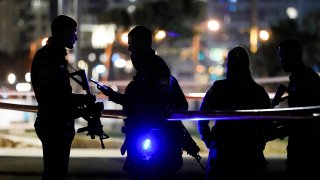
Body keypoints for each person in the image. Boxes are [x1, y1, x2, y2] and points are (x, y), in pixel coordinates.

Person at [96, 25, 188, 179]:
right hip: (157, 135)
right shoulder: (156, 72)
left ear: (143, 45)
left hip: (156, 135)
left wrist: (113, 95)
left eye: (132, 45)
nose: (130, 50)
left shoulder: (155, 72)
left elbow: (141, 102)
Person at [198, 46, 275, 180]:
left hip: (222, 152)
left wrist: (208, 139)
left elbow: (202, 115)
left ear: (228, 66)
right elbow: (268, 125)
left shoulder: (218, 88)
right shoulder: (258, 91)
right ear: (247, 65)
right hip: (251, 153)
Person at [31, 15, 90, 180]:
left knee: (56, 173)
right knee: (55, 174)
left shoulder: (55, 57)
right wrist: (82, 101)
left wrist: (81, 102)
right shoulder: (49, 58)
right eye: (73, 32)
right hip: (53, 124)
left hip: (57, 122)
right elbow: (53, 99)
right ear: (64, 33)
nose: (76, 37)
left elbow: (59, 96)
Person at [275, 38, 320, 180]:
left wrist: (275, 131)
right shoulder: (300, 78)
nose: (281, 61)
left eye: (283, 57)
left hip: (306, 149)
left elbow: (302, 119)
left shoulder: (305, 79)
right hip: (302, 146)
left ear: (293, 56)